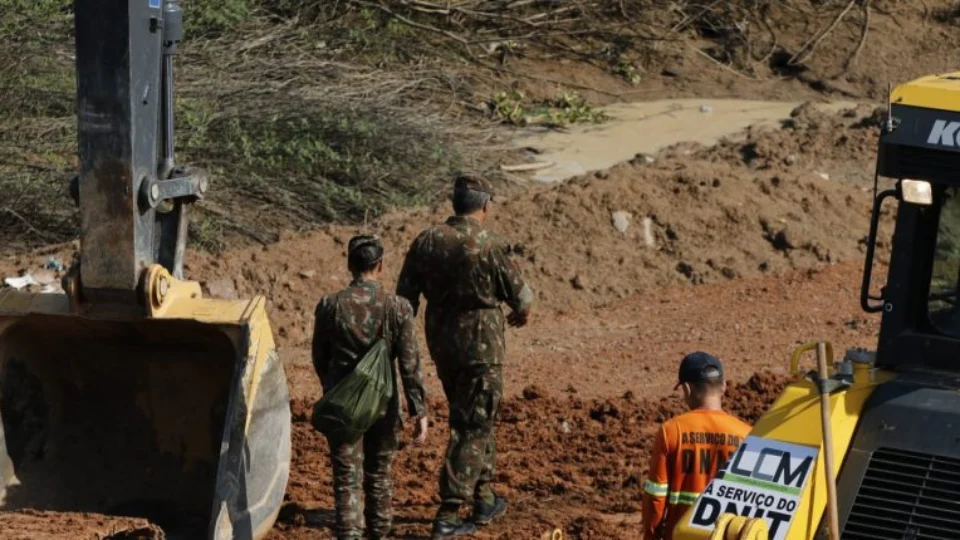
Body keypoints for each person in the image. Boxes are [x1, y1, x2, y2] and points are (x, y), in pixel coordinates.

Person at [396, 173, 534, 538]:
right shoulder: (488, 244)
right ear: (485, 205)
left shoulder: (426, 241)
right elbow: (523, 299)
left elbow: (404, 301)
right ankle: (450, 512)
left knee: (474, 415)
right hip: (481, 347)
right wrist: (519, 314)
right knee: (472, 425)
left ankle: (484, 495)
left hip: (442, 345)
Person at [312, 235, 429, 540]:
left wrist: (333, 387)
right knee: (379, 477)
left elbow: (319, 356)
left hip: (343, 406)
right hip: (384, 405)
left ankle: (349, 535)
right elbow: (410, 364)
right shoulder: (398, 308)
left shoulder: (330, 305)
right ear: (380, 266)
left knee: (346, 479)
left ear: (350, 265)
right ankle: (379, 533)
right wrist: (420, 411)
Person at [641, 352, 751, 539]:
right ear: (723, 387)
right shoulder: (747, 434)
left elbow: (656, 497)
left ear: (686, 389)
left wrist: (652, 536)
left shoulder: (671, 431)